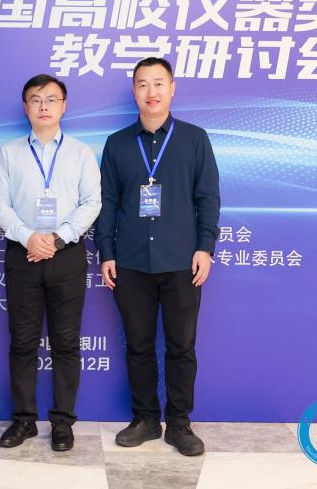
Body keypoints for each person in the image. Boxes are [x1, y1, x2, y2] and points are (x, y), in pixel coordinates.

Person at [95, 57, 220, 457]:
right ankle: (146, 418)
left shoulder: (194, 139)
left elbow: (208, 198)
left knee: (181, 347)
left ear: (172, 88)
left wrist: (205, 247)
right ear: (134, 91)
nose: (151, 92)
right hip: (130, 261)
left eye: (158, 83)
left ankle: (179, 424)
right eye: (143, 84)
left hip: (182, 261)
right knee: (138, 345)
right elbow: (106, 203)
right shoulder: (117, 144)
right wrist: (106, 252)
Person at [0, 74, 102, 451]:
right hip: (23, 255)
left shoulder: (81, 153)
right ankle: (23, 420)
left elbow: (92, 202)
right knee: (23, 342)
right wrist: (28, 237)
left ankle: (63, 422)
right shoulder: (10, 153)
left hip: (66, 256)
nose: (43, 106)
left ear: (63, 106)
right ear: (25, 107)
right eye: (35, 100)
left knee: (66, 343)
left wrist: (57, 238)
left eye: (51, 99)